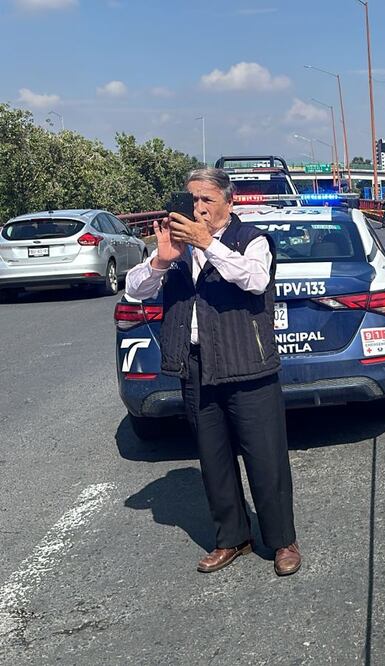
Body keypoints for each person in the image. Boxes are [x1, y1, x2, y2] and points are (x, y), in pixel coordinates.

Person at [125, 168, 301, 576]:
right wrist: (160, 260)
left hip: (248, 366)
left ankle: (281, 540)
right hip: (196, 366)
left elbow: (255, 280)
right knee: (213, 459)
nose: (198, 208)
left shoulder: (250, 239)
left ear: (228, 202)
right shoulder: (176, 247)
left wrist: (208, 244)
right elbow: (134, 290)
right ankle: (232, 538)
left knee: (266, 459)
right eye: (193, 200)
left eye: (207, 200)